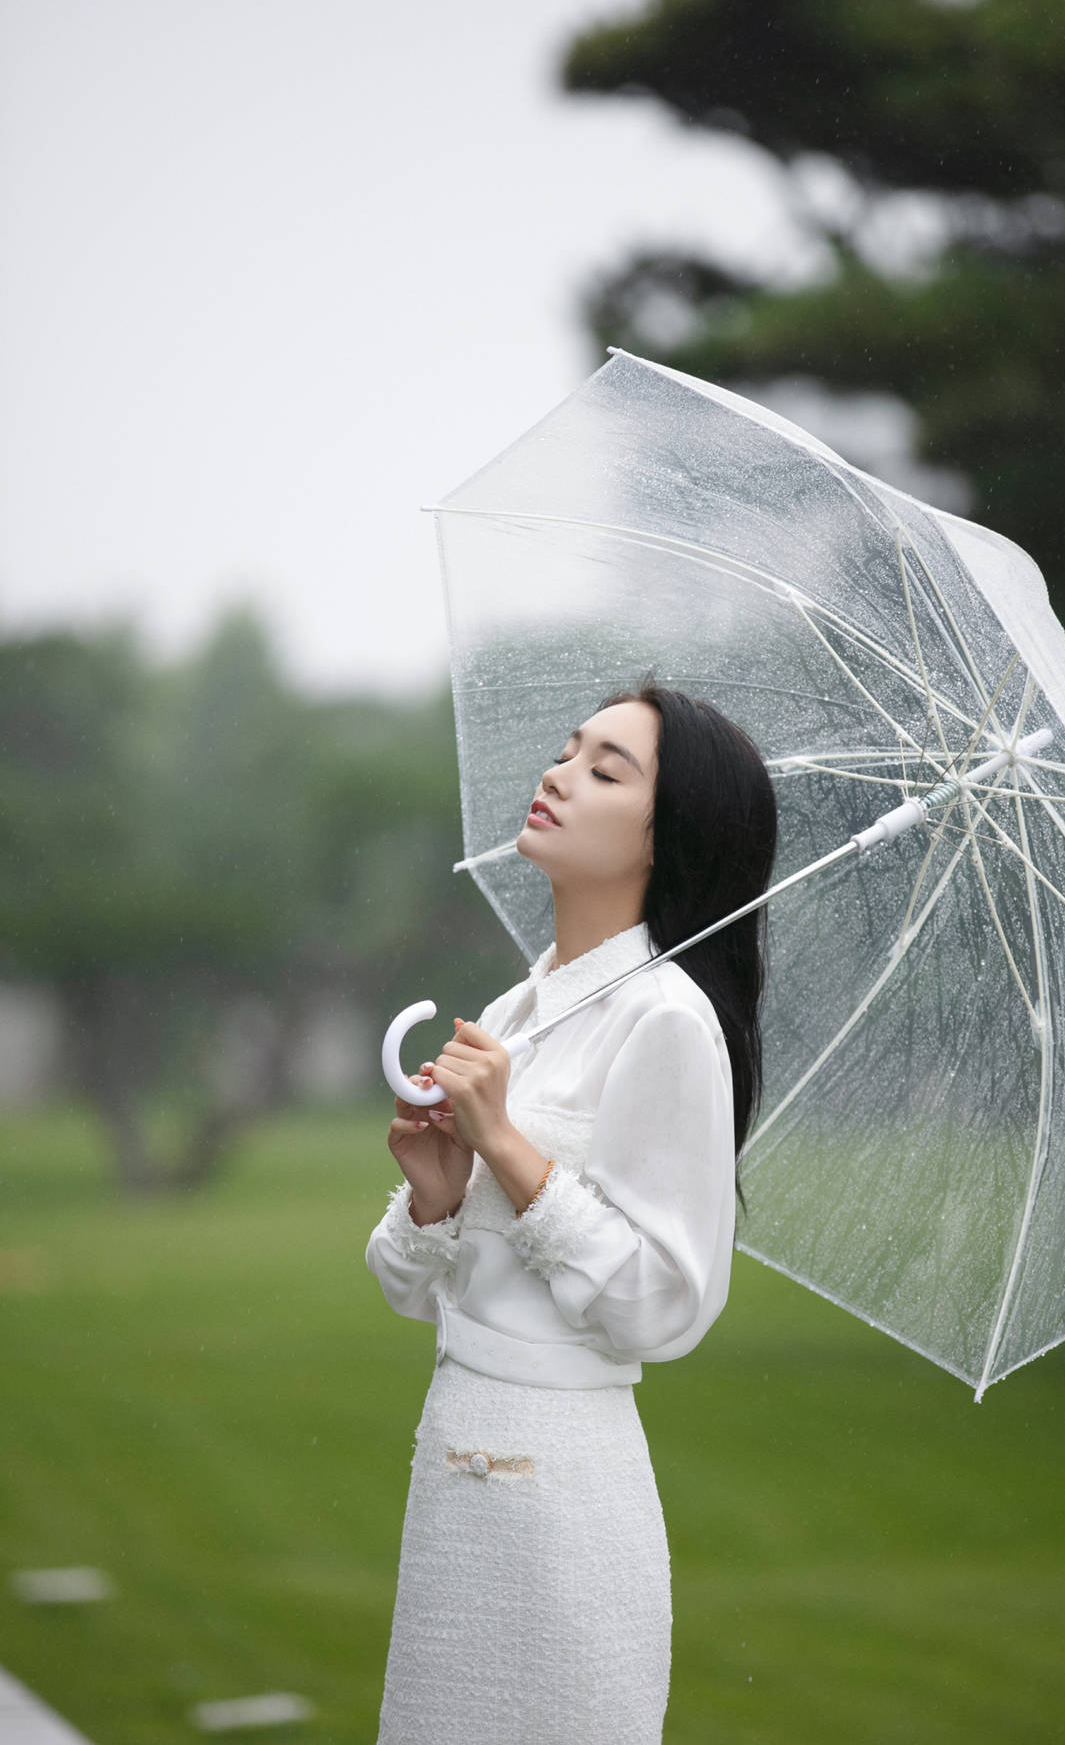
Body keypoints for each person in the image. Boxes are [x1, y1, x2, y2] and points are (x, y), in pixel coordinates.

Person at [366, 673, 777, 1745]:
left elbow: (664, 1309)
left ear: (664, 836)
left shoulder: (669, 1023)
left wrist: (505, 1143)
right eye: (567, 750)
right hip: (457, 1462)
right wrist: (436, 1196)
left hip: (566, 1489)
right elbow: (406, 1286)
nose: (558, 774)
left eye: (607, 768)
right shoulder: (517, 1007)